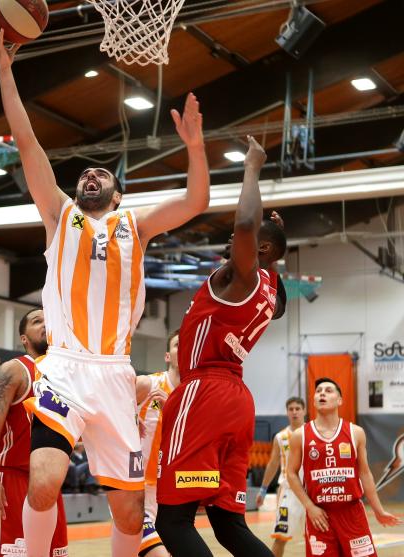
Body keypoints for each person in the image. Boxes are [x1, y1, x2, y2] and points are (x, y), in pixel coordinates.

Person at [0, 15, 210, 557]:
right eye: (84, 172)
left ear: (116, 195)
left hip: (114, 372)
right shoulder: (59, 214)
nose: (90, 175)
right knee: (44, 480)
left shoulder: (136, 225)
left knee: (130, 511)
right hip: (65, 367)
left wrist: (196, 147)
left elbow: (196, 201)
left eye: (101, 174)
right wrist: (4, 70)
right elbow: (26, 141)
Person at [155, 137, 287, 557]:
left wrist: (252, 168)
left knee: (171, 520)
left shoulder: (241, 278)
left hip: (204, 395)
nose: (233, 239)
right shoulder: (268, 288)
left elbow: (246, 224)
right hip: (237, 403)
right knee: (228, 524)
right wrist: (273, 249)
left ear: (258, 249)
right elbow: (276, 292)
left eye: (243, 240)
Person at [0, 308, 68, 557]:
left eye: (49, 320)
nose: (45, 324)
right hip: (14, 478)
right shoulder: (15, 370)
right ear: (24, 338)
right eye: (37, 321)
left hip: (49, 480)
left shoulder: (64, 376)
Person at [287, 378, 400, 556]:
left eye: (328, 390)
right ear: (314, 400)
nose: (322, 393)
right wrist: (309, 506)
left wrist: (379, 510)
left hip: (352, 513)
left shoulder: (356, 432)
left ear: (339, 400)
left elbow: (365, 474)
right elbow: (291, 474)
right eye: (318, 391)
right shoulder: (299, 435)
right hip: (320, 516)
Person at [134, 330, 180, 557]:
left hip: (171, 491)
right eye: (177, 345)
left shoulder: (193, 398)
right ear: (167, 356)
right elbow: (108, 408)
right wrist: (130, 418)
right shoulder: (148, 384)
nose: (183, 349)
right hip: (137, 486)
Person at [256, 397, 306, 557]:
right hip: (289, 491)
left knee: (316, 538)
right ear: (287, 412)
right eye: (291, 409)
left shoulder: (313, 432)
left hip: (311, 491)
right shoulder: (281, 436)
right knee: (280, 536)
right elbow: (272, 464)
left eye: (297, 408)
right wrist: (263, 490)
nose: (294, 412)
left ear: (304, 411)